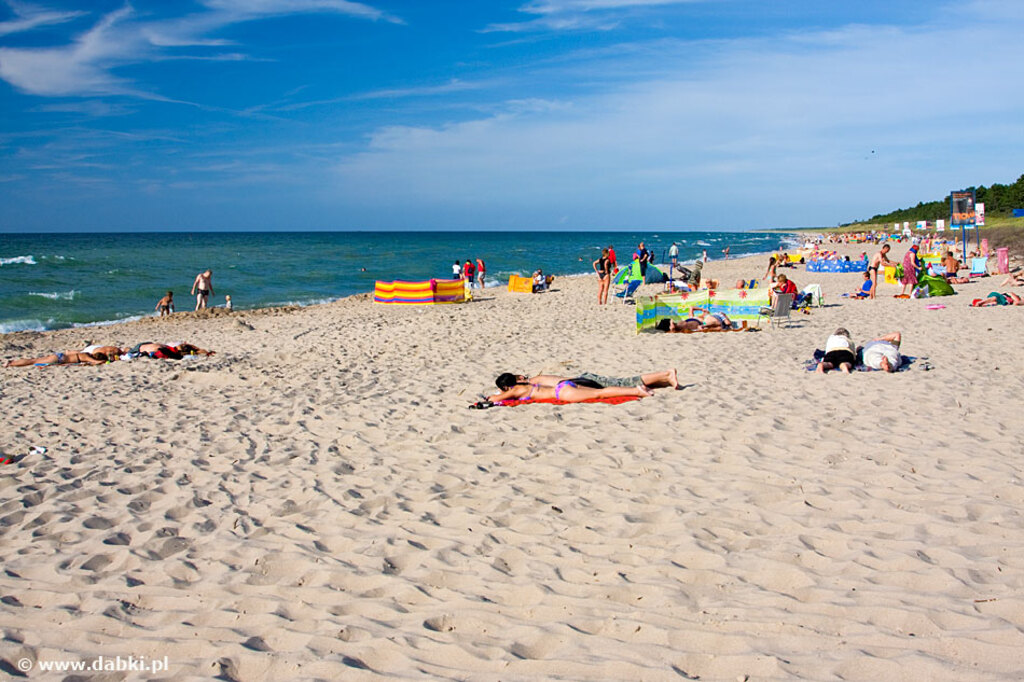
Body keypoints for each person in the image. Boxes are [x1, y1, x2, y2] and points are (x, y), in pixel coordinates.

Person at [5, 350, 111, 368]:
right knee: (34, 361)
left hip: (59, 355)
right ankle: (11, 364)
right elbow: (96, 362)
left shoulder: (83, 353)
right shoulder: (86, 357)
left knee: (35, 359)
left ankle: (13, 363)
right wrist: (107, 361)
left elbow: (68, 351)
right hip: (59, 359)